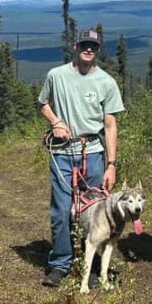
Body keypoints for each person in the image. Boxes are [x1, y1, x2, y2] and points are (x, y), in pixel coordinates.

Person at [38, 28, 125, 287]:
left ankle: (93, 265)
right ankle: (61, 263)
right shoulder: (56, 75)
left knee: (96, 211)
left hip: (94, 153)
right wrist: (56, 122)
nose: (89, 50)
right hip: (62, 153)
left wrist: (111, 164)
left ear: (98, 49)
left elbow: (110, 125)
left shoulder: (106, 82)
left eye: (94, 46)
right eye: (85, 45)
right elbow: (43, 103)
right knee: (62, 210)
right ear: (75, 46)